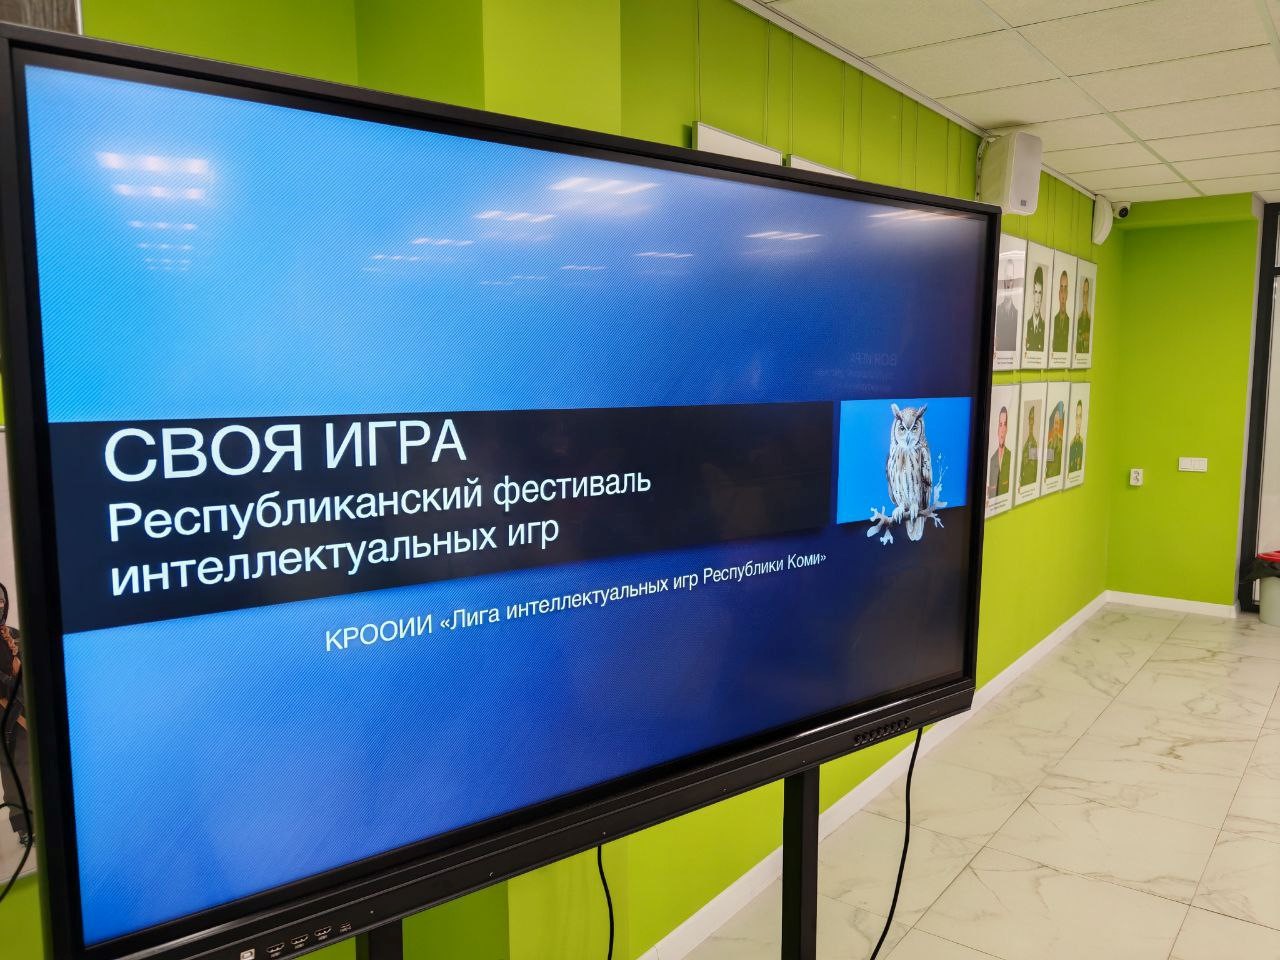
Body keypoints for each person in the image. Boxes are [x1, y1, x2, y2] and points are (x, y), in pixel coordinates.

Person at [0, 583, 29, 849]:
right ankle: (22, 826)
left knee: (28, 767)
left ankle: (35, 820)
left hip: (24, 712)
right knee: (11, 771)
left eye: (1, 601)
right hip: (5, 719)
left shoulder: (16, 635)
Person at [994, 259, 1019, 354]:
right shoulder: (997, 311)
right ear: (1003, 281)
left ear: (1014, 283)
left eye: (1011, 279)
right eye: (1006, 279)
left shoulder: (1016, 314)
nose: (1008, 285)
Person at [987, 405, 1011, 498]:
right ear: (997, 429)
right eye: (1000, 424)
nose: (1002, 430)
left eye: (1005, 424)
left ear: (1007, 429)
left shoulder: (1010, 456)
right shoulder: (992, 459)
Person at [1024, 266, 1045, 354]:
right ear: (1033, 293)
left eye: (1040, 293)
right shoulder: (1027, 324)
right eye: (1036, 292)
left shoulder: (1044, 326)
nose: (1037, 298)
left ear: (1042, 295)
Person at [1051, 269, 1071, 356]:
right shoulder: (1054, 320)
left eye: (1065, 288)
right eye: (1061, 288)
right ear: (1059, 293)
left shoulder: (1070, 321)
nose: (1063, 294)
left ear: (1067, 294)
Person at [1020, 404, 1039, 487]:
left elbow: (1035, 467)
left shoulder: (1035, 443)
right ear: (1028, 420)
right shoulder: (1024, 443)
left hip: (1031, 482)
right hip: (1023, 482)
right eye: (1030, 419)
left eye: (1032, 419)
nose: (1031, 422)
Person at [1044, 401, 1064, 480]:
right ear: (1053, 424)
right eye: (1055, 423)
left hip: (1057, 479)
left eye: (1058, 423)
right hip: (1049, 478)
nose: (1056, 426)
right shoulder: (1049, 444)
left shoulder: (1062, 443)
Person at [1075, 276, 1092, 357]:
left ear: (1088, 295)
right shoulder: (1077, 320)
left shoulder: (1090, 320)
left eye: (1087, 293)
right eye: (1084, 292)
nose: (1085, 296)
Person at [1069, 400, 1085, 473]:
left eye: (1080, 417)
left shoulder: (1083, 444)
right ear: (1075, 418)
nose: (1078, 421)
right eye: (1077, 416)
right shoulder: (1071, 445)